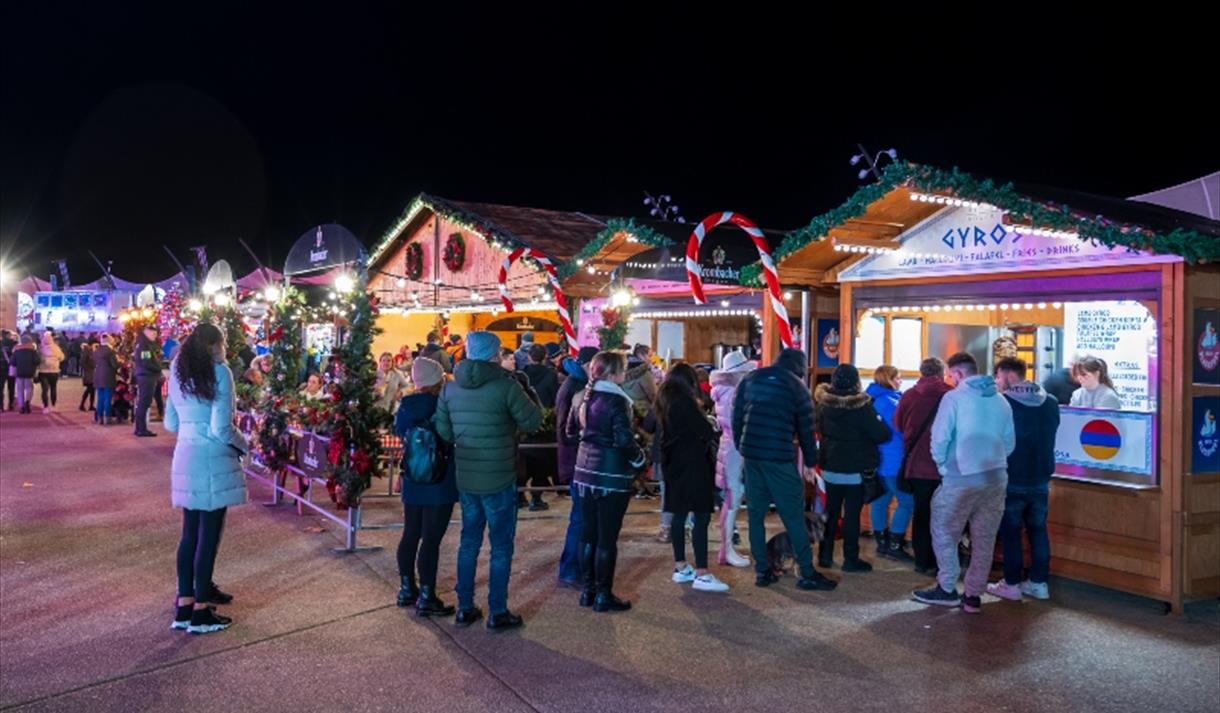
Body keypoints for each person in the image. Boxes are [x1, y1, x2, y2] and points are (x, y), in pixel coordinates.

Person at [435, 331, 542, 632]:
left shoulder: (450, 388)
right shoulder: (506, 386)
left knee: (468, 543)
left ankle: (465, 607)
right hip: (500, 476)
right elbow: (533, 421)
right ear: (494, 355)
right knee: (501, 547)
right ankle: (498, 610)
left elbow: (443, 431)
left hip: (467, 476)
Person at [913, 352, 1015, 614]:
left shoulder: (954, 398)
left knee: (945, 530)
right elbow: (1010, 443)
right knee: (984, 538)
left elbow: (939, 437)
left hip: (961, 477)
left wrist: (944, 466)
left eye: (950, 375)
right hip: (996, 477)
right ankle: (972, 596)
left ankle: (946, 587)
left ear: (957, 374)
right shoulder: (1002, 400)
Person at [165, 322, 249, 635]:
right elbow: (221, 427)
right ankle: (201, 611)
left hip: (185, 454)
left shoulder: (177, 371)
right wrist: (246, 445)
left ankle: (185, 604)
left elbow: (171, 423)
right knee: (209, 535)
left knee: (190, 533)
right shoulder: (219, 372)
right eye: (223, 343)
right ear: (214, 344)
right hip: (213, 457)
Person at [733, 348, 836, 591]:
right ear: (799, 369)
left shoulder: (751, 379)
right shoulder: (797, 387)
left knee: (755, 515)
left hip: (752, 455)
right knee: (793, 516)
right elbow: (806, 430)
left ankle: (762, 570)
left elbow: (737, 418)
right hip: (778, 457)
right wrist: (811, 462)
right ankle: (807, 573)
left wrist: (743, 446)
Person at [569, 350, 646, 612]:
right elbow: (624, 439)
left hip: (584, 471)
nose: (625, 374)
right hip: (611, 473)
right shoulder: (616, 400)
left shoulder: (583, 396)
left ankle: (587, 590)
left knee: (588, 532)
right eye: (623, 370)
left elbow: (570, 431)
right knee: (607, 537)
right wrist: (639, 458)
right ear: (613, 373)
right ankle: (603, 594)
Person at [988, 357, 1061, 602]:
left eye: (998, 377)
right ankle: (1039, 583)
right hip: (1041, 475)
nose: (997, 382)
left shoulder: (1003, 403)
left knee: (1011, 532)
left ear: (1007, 376)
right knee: (1038, 530)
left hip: (1011, 475)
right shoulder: (1049, 402)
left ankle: (1011, 583)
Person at [394, 357, 459, 617]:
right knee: (431, 539)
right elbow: (451, 436)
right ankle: (427, 595)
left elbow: (400, 434)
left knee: (410, 533)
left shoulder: (406, 406)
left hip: (413, 476)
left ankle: (407, 587)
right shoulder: (443, 406)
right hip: (440, 479)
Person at [814, 364, 891, 573]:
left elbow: (816, 427)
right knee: (851, 515)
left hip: (830, 466)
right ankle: (850, 559)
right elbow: (882, 434)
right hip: (855, 470)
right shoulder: (862, 406)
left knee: (830, 512)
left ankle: (825, 556)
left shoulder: (823, 404)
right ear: (856, 381)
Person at [659, 363, 729, 593]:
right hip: (692, 464)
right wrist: (710, 423)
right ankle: (702, 572)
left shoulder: (663, 401)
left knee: (678, 514)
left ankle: (681, 566)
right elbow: (707, 432)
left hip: (672, 464)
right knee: (700, 516)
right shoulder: (686, 402)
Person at [894, 358, 953, 576]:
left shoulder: (909, 395)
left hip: (917, 464)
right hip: (944, 466)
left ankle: (921, 560)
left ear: (921, 372)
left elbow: (898, 424)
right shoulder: (951, 394)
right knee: (945, 516)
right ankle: (941, 561)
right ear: (942, 373)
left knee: (922, 514)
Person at [556, 346, 598, 588]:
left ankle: (576, 566)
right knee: (580, 517)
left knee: (582, 516)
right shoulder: (574, 386)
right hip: (576, 461)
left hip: (578, 460)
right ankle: (571, 568)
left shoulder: (578, 382)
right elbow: (565, 431)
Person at [709, 351, 754, 568]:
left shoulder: (724, 391)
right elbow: (740, 426)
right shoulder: (733, 393)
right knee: (733, 499)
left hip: (730, 449)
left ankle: (726, 550)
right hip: (735, 450)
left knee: (732, 499)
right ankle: (726, 550)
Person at [866, 365, 915, 561]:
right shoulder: (891, 402)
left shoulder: (871, 399)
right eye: (898, 378)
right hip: (894, 459)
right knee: (906, 502)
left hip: (878, 459)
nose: (901, 381)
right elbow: (903, 429)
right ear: (889, 379)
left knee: (880, 501)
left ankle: (882, 543)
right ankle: (895, 545)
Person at [133, 324, 163, 436]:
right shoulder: (144, 345)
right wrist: (158, 368)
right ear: (147, 332)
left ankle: (139, 428)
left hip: (146, 375)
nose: (155, 336)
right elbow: (146, 362)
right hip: (147, 376)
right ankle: (141, 429)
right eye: (153, 333)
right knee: (144, 403)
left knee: (143, 402)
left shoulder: (145, 344)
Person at [9, 334, 41, 414]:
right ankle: (28, 402)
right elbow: (37, 361)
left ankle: (22, 406)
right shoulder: (33, 351)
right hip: (29, 373)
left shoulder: (17, 350)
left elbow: (12, 362)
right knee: (29, 388)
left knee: (20, 390)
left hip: (19, 373)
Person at [93, 335, 120, 424]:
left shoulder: (97, 351)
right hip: (108, 376)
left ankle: (99, 417)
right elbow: (114, 365)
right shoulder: (111, 352)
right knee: (108, 398)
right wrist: (119, 362)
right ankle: (107, 417)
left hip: (98, 375)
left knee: (100, 397)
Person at [621, 345, 658, 411]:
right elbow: (653, 396)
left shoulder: (623, 369)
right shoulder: (643, 372)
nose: (651, 359)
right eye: (649, 356)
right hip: (645, 410)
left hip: (629, 408)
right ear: (640, 355)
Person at [523, 343, 559, 409]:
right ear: (545, 356)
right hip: (545, 413)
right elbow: (555, 398)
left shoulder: (522, 374)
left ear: (529, 356)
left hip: (524, 412)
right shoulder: (552, 375)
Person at [37, 331, 65, 414]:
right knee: (53, 388)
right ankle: (53, 406)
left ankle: (45, 407)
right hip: (54, 371)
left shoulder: (40, 348)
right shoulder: (56, 347)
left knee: (44, 390)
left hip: (43, 371)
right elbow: (62, 357)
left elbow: (37, 359)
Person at [79, 339, 97, 412]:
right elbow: (82, 362)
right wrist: (87, 369)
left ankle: (91, 405)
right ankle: (82, 405)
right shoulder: (87, 351)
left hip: (92, 373)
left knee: (93, 390)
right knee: (89, 389)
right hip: (89, 373)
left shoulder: (91, 351)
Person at [0, 329, 16, 411]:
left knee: (1, 388)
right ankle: (11, 405)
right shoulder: (14, 343)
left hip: (1, 368)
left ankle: (1, 406)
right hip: (11, 368)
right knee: (11, 388)